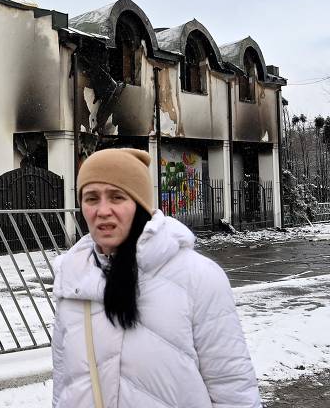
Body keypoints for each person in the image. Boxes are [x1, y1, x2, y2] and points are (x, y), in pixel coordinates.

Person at [52, 148, 261, 407]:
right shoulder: (72, 282)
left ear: (140, 205)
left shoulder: (198, 278)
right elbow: (64, 385)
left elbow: (234, 390)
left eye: (117, 197)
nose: (103, 210)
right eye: (91, 198)